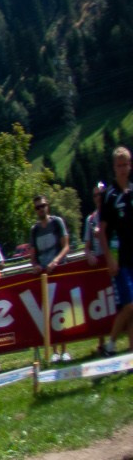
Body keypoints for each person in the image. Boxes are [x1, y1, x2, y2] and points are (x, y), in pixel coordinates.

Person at [97, 146, 133, 359]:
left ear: (130, 166)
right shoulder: (110, 196)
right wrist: (109, 257)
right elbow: (101, 231)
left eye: (125, 165)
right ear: (114, 167)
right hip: (120, 259)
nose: (122, 169)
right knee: (129, 305)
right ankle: (110, 344)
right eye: (118, 165)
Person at [28, 196, 70, 272]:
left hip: (60, 268)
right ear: (35, 210)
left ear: (47, 206)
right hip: (43, 273)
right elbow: (33, 258)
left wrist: (55, 261)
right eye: (38, 207)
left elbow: (66, 247)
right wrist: (36, 266)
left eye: (43, 206)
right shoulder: (34, 230)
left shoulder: (57, 222)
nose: (41, 209)